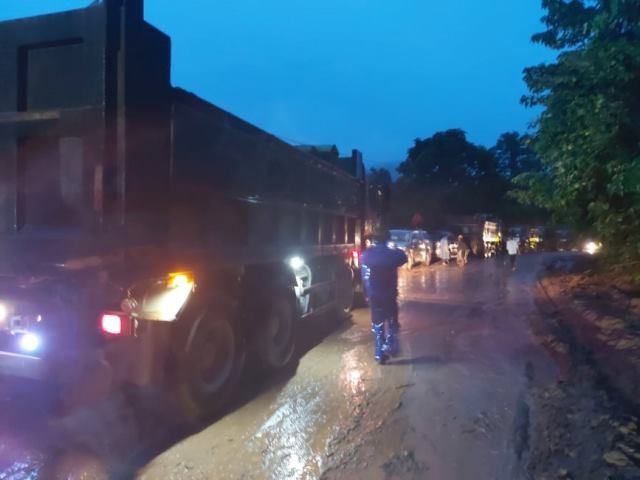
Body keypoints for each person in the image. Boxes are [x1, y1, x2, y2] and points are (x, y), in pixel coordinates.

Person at [360, 231, 407, 364]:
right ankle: (391, 346)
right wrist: (395, 247)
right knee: (392, 322)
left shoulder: (367, 254)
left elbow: (363, 269)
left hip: (374, 295)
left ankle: (379, 354)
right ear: (387, 240)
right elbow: (404, 258)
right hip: (389, 295)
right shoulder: (392, 254)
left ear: (374, 240)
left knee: (378, 324)